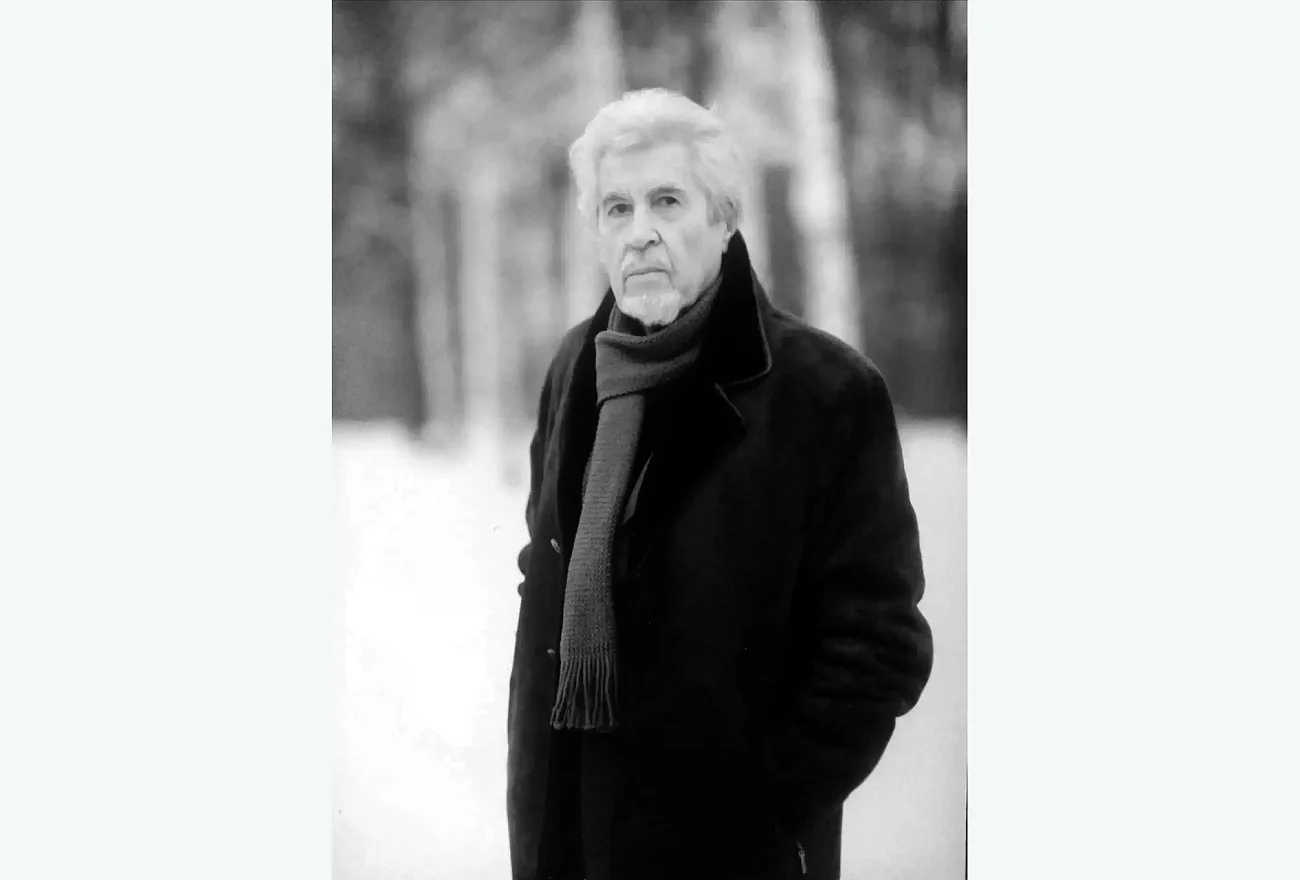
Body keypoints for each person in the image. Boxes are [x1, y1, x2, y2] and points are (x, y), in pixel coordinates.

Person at [507, 88, 933, 880]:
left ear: (724, 217)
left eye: (667, 201)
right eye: (617, 208)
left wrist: (767, 809)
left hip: (730, 849)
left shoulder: (825, 390)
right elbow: (546, 577)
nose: (641, 231)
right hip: (573, 833)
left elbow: (879, 645)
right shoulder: (575, 369)